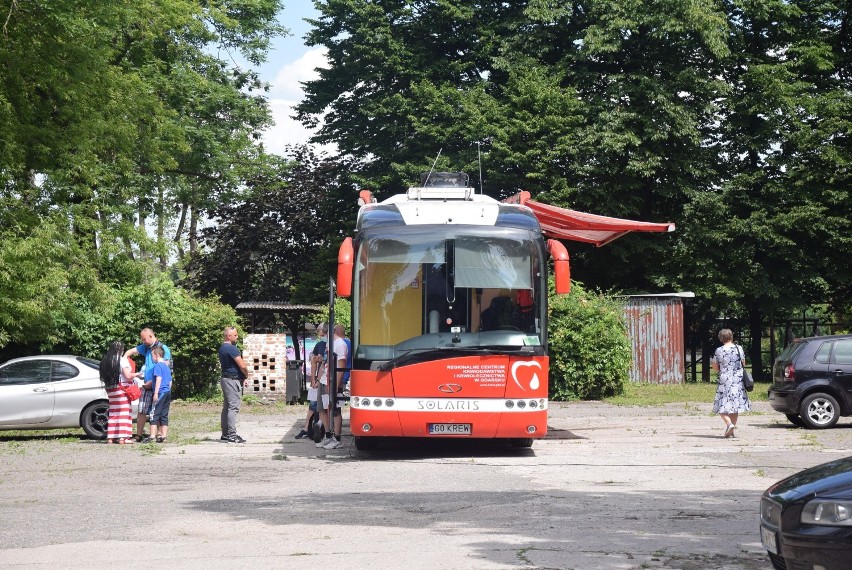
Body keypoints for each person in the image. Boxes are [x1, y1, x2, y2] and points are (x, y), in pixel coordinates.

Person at [124, 328, 171, 442]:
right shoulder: (146, 347)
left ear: (151, 335)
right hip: (146, 384)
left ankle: (159, 434)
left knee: (158, 412)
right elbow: (130, 352)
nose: (143, 341)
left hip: (158, 386)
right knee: (142, 410)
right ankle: (139, 435)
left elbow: (166, 368)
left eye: (144, 339)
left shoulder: (163, 349)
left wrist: (156, 383)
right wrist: (124, 360)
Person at [711, 328, 751, 437]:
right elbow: (743, 362)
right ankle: (732, 429)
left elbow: (715, 367)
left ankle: (729, 424)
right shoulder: (739, 348)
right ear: (731, 337)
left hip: (725, 380)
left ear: (721, 338)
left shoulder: (719, 350)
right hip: (738, 380)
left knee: (721, 404)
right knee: (735, 405)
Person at [316, 324, 348, 450]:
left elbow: (341, 368)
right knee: (322, 409)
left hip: (334, 382)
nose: (323, 337)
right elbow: (325, 363)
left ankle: (337, 438)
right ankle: (328, 435)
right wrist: (319, 379)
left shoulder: (341, 345)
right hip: (324, 380)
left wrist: (335, 385)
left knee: (335, 410)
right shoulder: (330, 344)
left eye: (324, 334)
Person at [101, 341, 136, 444]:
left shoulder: (105, 361)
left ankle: (111, 437)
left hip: (110, 389)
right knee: (124, 412)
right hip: (122, 389)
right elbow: (128, 375)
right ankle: (123, 437)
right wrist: (137, 374)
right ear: (120, 350)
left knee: (113, 412)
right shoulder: (122, 360)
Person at [296, 324, 326, 440]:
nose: (320, 335)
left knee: (324, 405)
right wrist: (313, 380)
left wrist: (317, 380)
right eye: (320, 333)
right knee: (313, 404)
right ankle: (308, 428)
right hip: (319, 379)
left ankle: (318, 427)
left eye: (321, 333)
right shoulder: (320, 345)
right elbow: (314, 362)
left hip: (325, 379)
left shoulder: (332, 345)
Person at [219, 326, 249, 443]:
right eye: (235, 335)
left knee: (227, 407)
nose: (237, 337)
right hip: (232, 380)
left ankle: (225, 433)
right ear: (228, 336)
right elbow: (242, 365)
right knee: (233, 407)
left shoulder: (222, 348)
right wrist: (246, 375)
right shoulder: (231, 349)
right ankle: (232, 434)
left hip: (225, 379)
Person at [143, 346, 173, 443]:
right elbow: (170, 381)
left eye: (152, 356)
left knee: (154, 414)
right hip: (167, 392)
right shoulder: (166, 366)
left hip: (160, 392)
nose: (152, 358)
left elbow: (158, 379)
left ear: (157, 355)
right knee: (164, 414)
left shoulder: (158, 366)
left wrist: (155, 393)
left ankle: (152, 436)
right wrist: (168, 389)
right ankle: (163, 436)